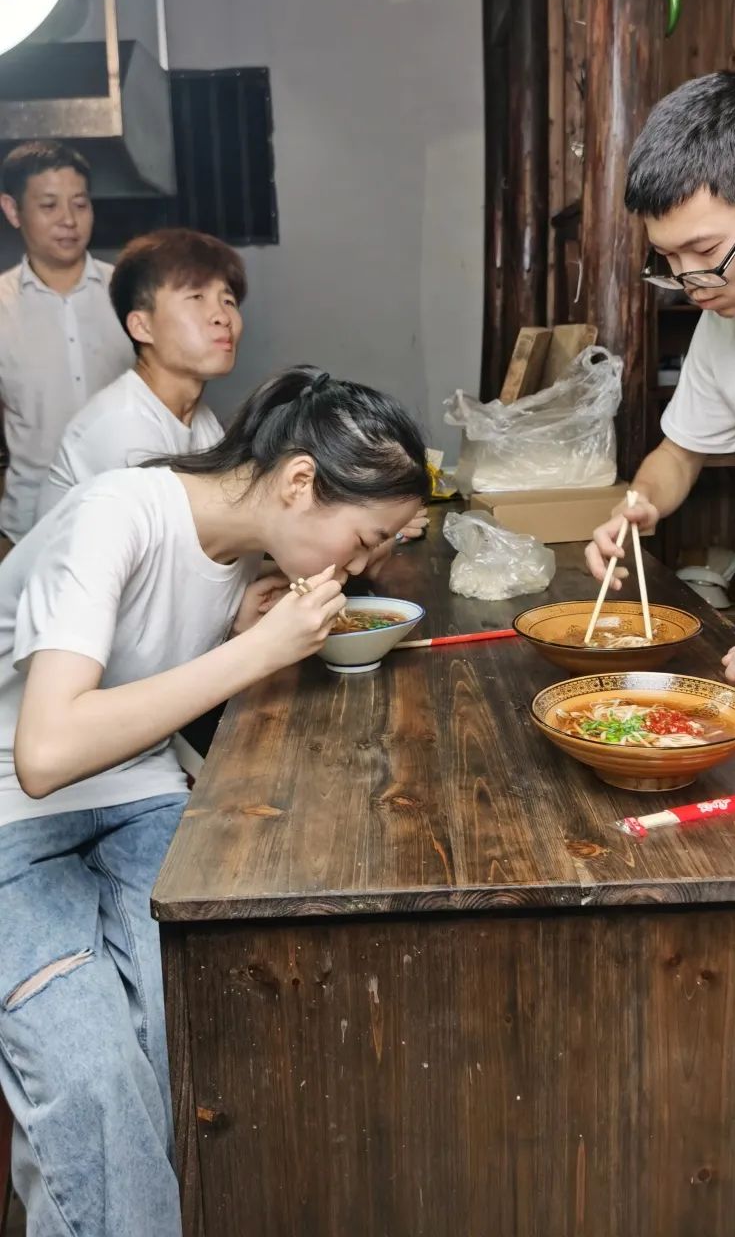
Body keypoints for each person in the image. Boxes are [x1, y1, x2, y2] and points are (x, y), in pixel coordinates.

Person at [0, 365, 429, 1236]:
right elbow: (44, 755)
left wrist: (238, 628)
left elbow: (153, 653)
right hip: (13, 811)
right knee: (93, 1073)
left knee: (200, 1023)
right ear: (300, 481)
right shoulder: (116, 512)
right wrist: (256, 651)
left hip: (138, 792)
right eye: (364, 540)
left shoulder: (241, 551)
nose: (362, 567)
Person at [586, 70, 735, 701]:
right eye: (668, 259)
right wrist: (639, 506)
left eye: (705, 250)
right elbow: (680, 453)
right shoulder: (728, 321)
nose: (691, 284)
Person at [37, 228, 247, 519]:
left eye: (228, 301)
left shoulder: (202, 421)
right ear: (142, 327)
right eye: (197, 296)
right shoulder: (123, 426)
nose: (222, 317)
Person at [0, 141, 133, 543]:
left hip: (127, 515)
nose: (69, 220)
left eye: (80, 204)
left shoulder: (131, 292)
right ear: (12, 210)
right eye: (49, 206)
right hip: (32, 527)